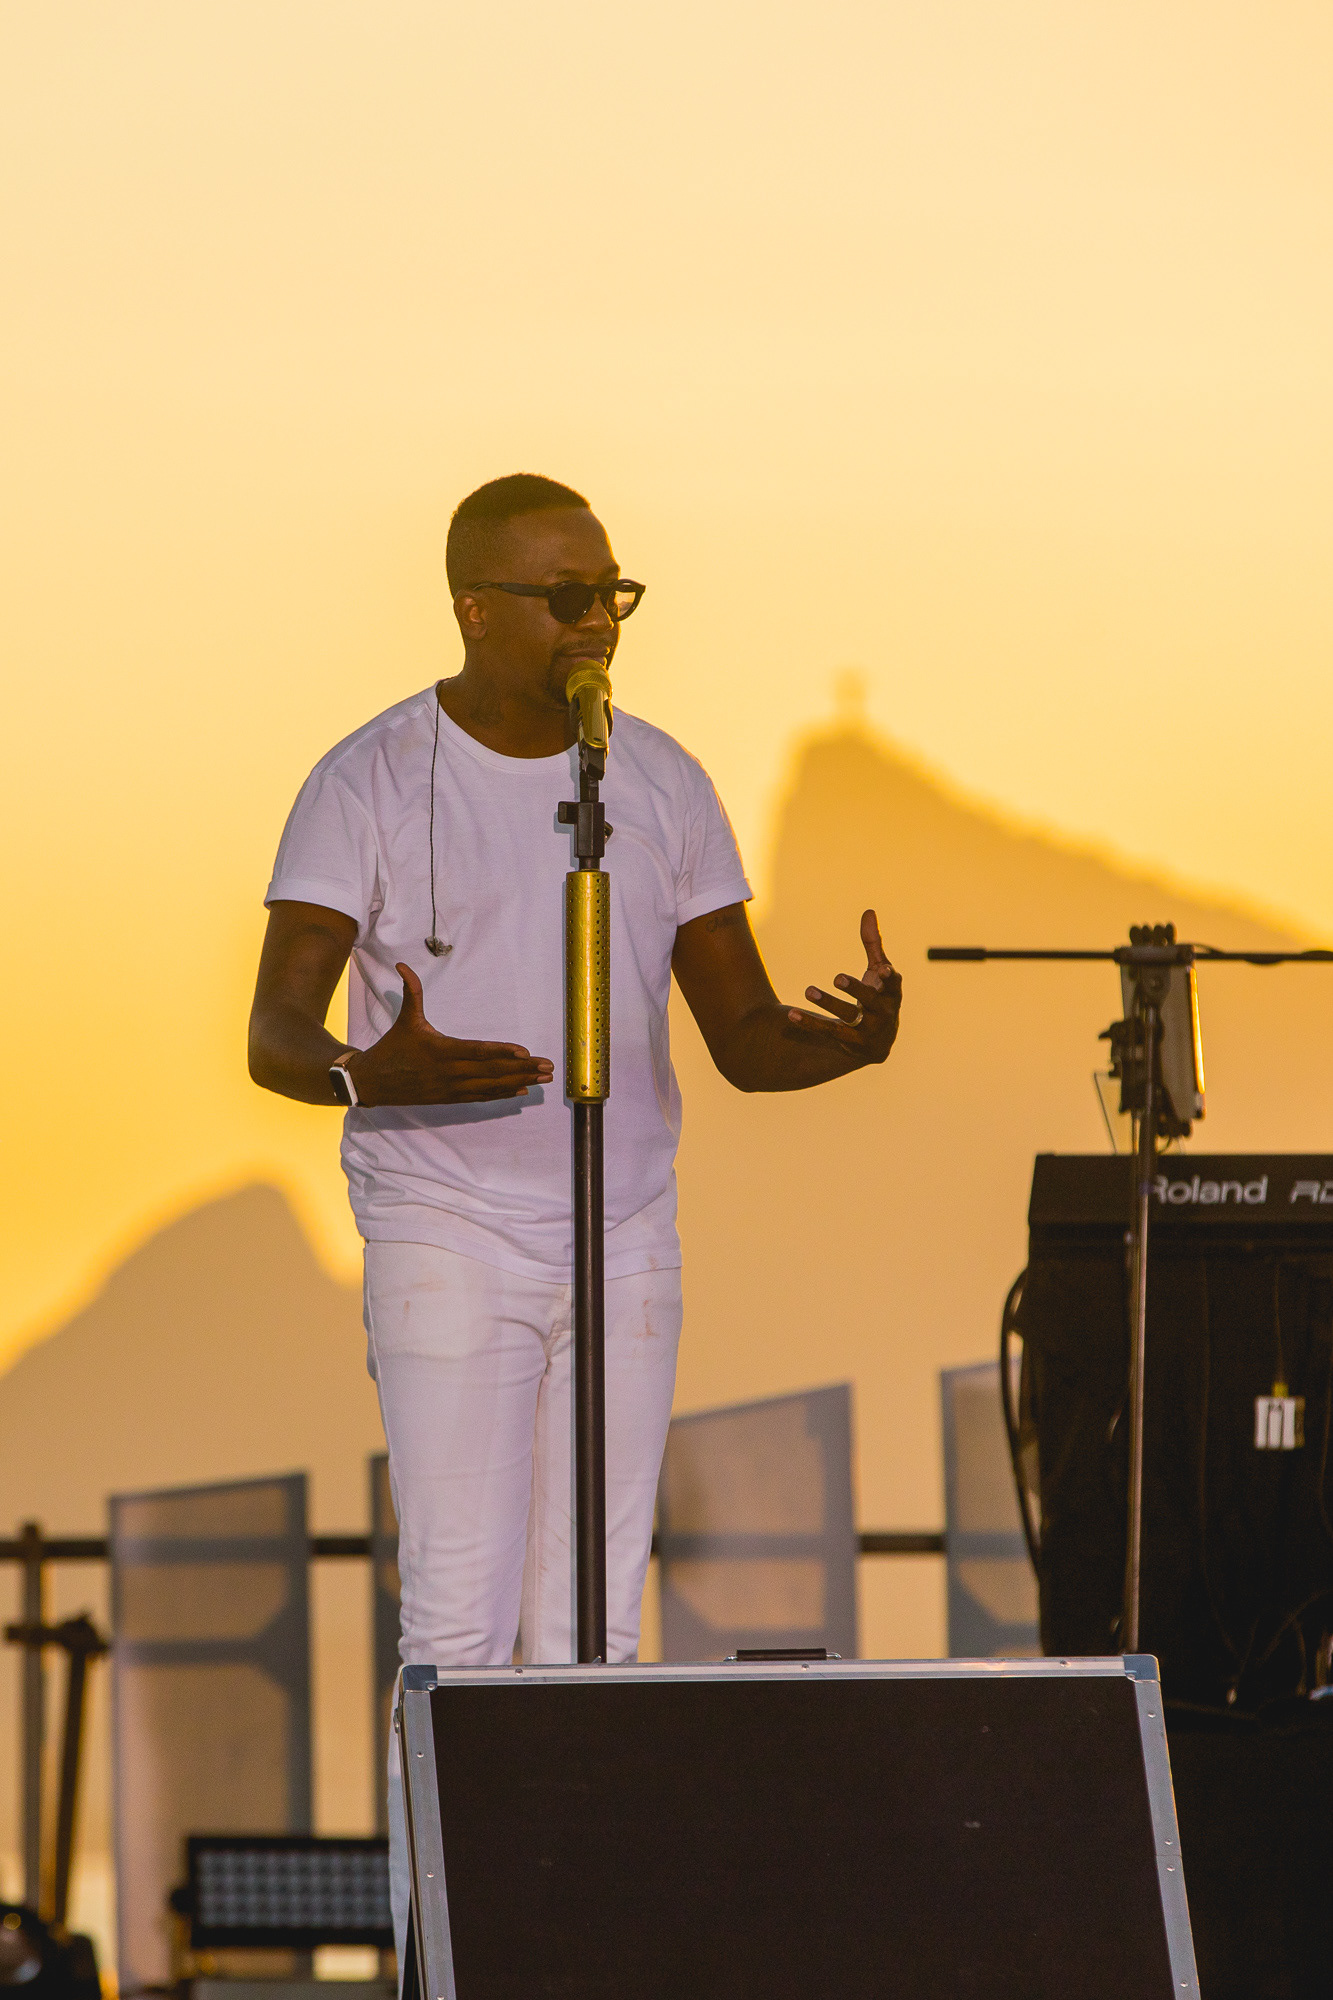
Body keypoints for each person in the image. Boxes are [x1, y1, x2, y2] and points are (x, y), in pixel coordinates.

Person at [248, 472, 902, 1950]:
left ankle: (570, 1945)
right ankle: (445, 1957)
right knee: (461, 1623)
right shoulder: (367, 780)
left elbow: (744, 1041)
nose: (597, 620)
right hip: (445, 1229)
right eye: (564, 597)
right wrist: (364, 1072)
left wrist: (849, 1043)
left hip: (625, 1232)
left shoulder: (655, 784)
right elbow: (274, 1031)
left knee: (595, 1623)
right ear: (474, 609)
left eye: (611, 592)